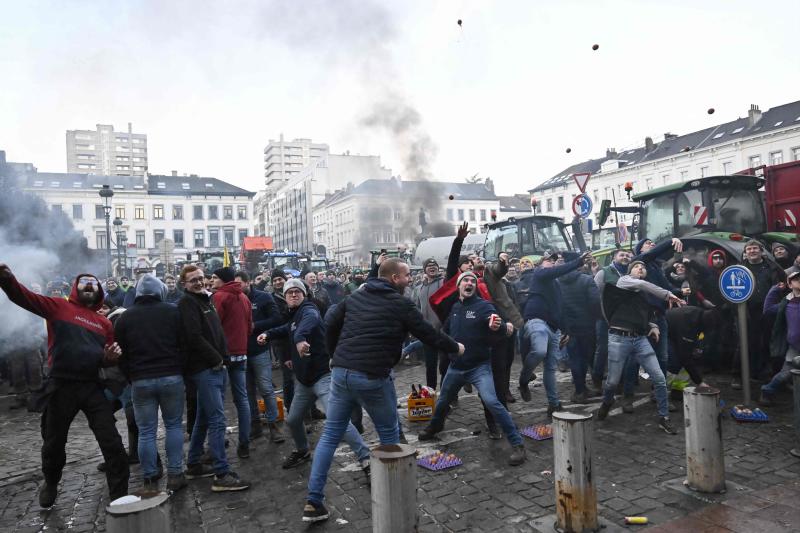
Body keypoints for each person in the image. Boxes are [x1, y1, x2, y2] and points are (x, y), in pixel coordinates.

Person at [302, 258, 462, 523]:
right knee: (389, 436)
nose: (410, 279)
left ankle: (313, 502)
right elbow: (427, 333)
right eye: (407, 275)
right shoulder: (400, 302)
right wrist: (455, 347)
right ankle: (397, 500)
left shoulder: (357, 295)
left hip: (341, 372)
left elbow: (330, 321)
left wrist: (335, 354)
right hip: (372, 375)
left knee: (330, 435)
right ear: (393, 278)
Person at [0, 264, 129, 507]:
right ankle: (51, 480)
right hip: (61, 386)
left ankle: (119, 498)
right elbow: (24, 297)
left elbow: (105, 356)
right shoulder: (58, 307)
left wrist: (111, 357)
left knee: (112, 442)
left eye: (93, 283)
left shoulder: (104, 323)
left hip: (92, 386)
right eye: (84, 283)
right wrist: (7, 280)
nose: (89, 286)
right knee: (53, 443)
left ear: (99, 290)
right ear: (75, 288)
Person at [257, 279, 370, 473]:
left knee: (337, 421)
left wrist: (300, 339)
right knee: (292, 420)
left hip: (322, 377)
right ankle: (302, 450)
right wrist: (268, 334)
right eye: (289, 292)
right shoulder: (294, 316)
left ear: (304, 294)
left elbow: (308, 323)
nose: (293, 294)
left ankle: (365, 458)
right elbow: (286, 329)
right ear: (284, 297)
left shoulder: (309, 310)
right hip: (303, 380)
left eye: (297, 291)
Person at [418, 271, 526, 465]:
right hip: (456, 367)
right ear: (458, 286)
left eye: (472, 281)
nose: (469, 283)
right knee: (443, 401)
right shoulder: (456, 307)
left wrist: (500, 326)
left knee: (493, 402)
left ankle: (517, 444)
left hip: (479, 367)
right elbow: (446, 331)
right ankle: (434, 427)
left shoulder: (484, 306)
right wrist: (444, 346)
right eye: (465, 280)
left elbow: (497, 324)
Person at [178, 265, 249, 492]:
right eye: (193, 281)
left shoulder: (204, 300)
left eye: (201, 278)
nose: (199, 282)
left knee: (203, 418)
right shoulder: (187, 303)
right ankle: (221, 473)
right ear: (184, 284)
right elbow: (193, 337)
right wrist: (217, 359)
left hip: (215, 366)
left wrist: (223, 358)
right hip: (205, 368)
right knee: (218, 420)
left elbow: (215, 333)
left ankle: (194, 463)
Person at [114, 275, 186, 492]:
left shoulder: (125, 318)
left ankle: (149, 477)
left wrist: (131, 376)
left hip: (140, 380)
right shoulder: (173, 311)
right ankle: (175, 474)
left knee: (146, 431)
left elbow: (120, 354)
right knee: (173, 425)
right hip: (171, 376)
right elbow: (185, 344)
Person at [597, 260, 684, 434]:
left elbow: (644, 314)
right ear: (630, 271)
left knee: (659, 378)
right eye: (637, 266)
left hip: (639, 339)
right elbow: (642, 284)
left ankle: (664, 417)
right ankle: (607, 401)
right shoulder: (624, 281)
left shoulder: (643, 295)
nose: (641, 269)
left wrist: (653, 326)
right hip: (618, 338)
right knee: (613, 381)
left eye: (643, 267)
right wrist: (668, 294)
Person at [518, 251, 592, 415]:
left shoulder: (556, 284)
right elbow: (555, 271)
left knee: (550, 368)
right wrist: (578, 262)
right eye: (549, 260)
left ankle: (554, 403)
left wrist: (565, 330)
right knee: (539, 350)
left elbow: (561, 308)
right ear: (540, 265)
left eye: (555, 261)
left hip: (554, 328)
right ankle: (524, 379)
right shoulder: (539, 274)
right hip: (537, 320)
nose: (552, 262)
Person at [235, 271, 285, 443]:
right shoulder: (234, 299)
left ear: (248, 282)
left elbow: (276, 318)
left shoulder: (263, 297)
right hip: (241, 353)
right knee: (247, 392)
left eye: (239, 283)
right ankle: (255, 426)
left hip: (259, 351)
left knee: (266, 389)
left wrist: (256, 326)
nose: (236, 287)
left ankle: (273, 425)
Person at [210, 267, 254, 459]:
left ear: (223, 280)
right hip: (241, 354)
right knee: (242, 400)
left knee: (217, 402)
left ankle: (217, 448)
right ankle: (244, 443)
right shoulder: (244, 297)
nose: (211, 281)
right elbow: (250, 326)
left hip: (224, 356)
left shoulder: (219, 297)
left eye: (214, 278)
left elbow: (213, 326)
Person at [736, 240, 784, 385]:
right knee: (744, 342)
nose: (752, 251)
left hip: (767, 311)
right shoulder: (740, 268)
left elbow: (784, 284)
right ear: (745, 253)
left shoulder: (773, 267)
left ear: (762, 251)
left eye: (755, 248)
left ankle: (761, 373)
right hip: (747, 311)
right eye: (749, 249)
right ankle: (738, 374)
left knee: (765, 342)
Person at [482, 252, 524, 410]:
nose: (478, 260)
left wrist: (502, 261)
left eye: (479, 258)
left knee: (507, 359)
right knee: (494, 363)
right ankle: (496, 392)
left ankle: (504, 390)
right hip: (488, 324)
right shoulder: (473, 278)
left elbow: (498, 269)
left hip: (506, 321)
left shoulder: (493, 273)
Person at [559, 252, 601, 403]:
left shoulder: (558, 281)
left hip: (568, 328)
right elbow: (596, 302)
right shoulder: (586, 280)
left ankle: (581, 389)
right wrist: (595, 318)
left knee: (575, 358)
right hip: (586, 326)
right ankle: (580, 391)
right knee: (584, 358)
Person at [759, 271, 800, 405]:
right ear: (789, 283)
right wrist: (774, 289)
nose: (799, 281)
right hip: (794, 346)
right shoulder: (786, 303)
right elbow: (768, 310)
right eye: (796, 279)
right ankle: (767, 391)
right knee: (785, 374)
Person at [412, 258, 445, 390]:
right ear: (424, 270)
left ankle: (448, 393)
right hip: (428, 332)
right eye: (429, 266)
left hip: (443, 331)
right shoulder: (419, 288)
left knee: (444, 365)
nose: (432, 267)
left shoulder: (444, 283)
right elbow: (417, 308)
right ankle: (431, 391)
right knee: (430, 365)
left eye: (434, 265)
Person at [270, 269, 295, 410]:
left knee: (305, 376)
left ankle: (311, 409)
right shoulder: (272, 299)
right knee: (288, 378)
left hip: (297, 339)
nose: (278, 282)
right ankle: (290, 408)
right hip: (282, 342)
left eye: (280, 279)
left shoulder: (293, 294)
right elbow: (277, 320)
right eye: (275, 280)